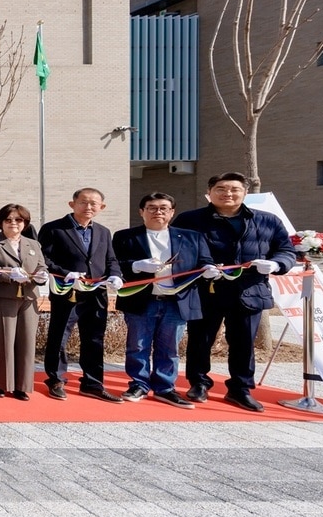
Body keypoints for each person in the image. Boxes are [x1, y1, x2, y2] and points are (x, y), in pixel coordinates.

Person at [173, 172, 297, 412]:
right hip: (205, 290)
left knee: (243, 343)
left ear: (245, 193)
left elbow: (286, 250)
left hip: (249, 291)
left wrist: (277, 264)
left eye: (234, 189)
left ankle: (240, 388)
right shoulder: (190, 219)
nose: (227, 194)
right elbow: (176, 251)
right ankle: (198, 383)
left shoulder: (267, 221)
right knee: (200, 340)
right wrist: (198, 267)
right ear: (209, 193)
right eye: (221, 189)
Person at [114, 192, 215, 409]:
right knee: (137, 345)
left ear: (171, 212)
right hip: (142, 299)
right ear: (141, 212)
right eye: (151, 207)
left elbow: (204, 262)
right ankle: (138, 384)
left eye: (163, 208)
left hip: (177, 301)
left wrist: (209, 269)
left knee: (169, 348)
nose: (157, 212)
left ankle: (165, 387)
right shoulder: (125, 237)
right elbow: (114, 265)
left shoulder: (191, 237)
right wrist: (136, 265)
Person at [39, 187, 125, 402]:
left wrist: (115, 275)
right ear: (72, 204)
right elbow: (45, 260)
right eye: (83, 202)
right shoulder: (54, 229)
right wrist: (67, 274)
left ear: (101, 207)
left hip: (96, 294)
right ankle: (56, 379)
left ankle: (93, 383)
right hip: (68, 292)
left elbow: (111, 260)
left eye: (94, 204)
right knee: (59, 337)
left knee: (95, 338)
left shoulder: (103, 231)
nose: (88, 207)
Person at [0, 204, 49, 400]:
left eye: (18, 220)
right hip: (1, 298)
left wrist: (42, 275)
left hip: (28, 298)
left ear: (25, 223)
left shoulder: (33, 244)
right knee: (2, 342)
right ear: (1, 222)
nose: (13, 223)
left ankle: (21, 385)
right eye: (8, 220)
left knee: (26, 342)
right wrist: (7, 275)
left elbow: (42, 265)